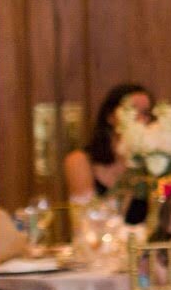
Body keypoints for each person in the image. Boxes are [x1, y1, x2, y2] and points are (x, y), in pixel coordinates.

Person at [63, 83, 154, 224]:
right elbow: (85, 221)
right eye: (132, 111)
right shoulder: (80, 160)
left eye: (146, 113)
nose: (140, 119)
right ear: (110, 116)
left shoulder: (155, 160)